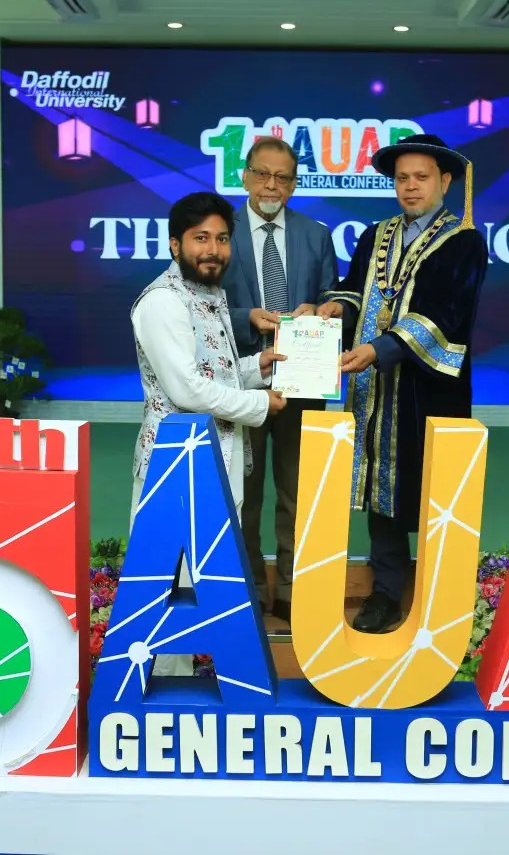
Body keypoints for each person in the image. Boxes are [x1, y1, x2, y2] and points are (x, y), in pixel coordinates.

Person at [315, 134, 488, 634]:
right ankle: (385, 591)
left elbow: (449, 315)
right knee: (381, 490)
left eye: (422, 177)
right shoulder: (377, 235)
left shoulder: (464, 241)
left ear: (445, 181)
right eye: (402, 178)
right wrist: (338, 307)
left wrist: (381, 349)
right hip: (374, 390)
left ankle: (441, 595)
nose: (410, 187)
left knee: (434, 488)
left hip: (428, 389)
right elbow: (356, 289)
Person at [130, 191, 288, 674]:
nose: (213, 250)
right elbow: (187, 390)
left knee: (201, 581)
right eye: (200, 238)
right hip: (174, 466)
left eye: (221, 239)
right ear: (175, 244)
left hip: (214, 459)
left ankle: (187, 683)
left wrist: (258, 367)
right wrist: (261, 404)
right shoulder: (163, 301)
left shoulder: (209, 294)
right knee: (168, 586)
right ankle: (156, 692)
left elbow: (213, 372)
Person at [221, 136, 339, 622]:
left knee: (297, 490)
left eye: (283, 177)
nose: (272, 185)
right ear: (245, 176)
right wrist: (248, 317)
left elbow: (335, 298)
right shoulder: (219, 232)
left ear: (294, 184)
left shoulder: (316, 234)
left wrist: (325, 309)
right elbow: (200, 306)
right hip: (240, 379)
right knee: (242, 493)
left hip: (303, 381)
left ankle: (291, 589)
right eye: (262, 174)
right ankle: (247, 590)